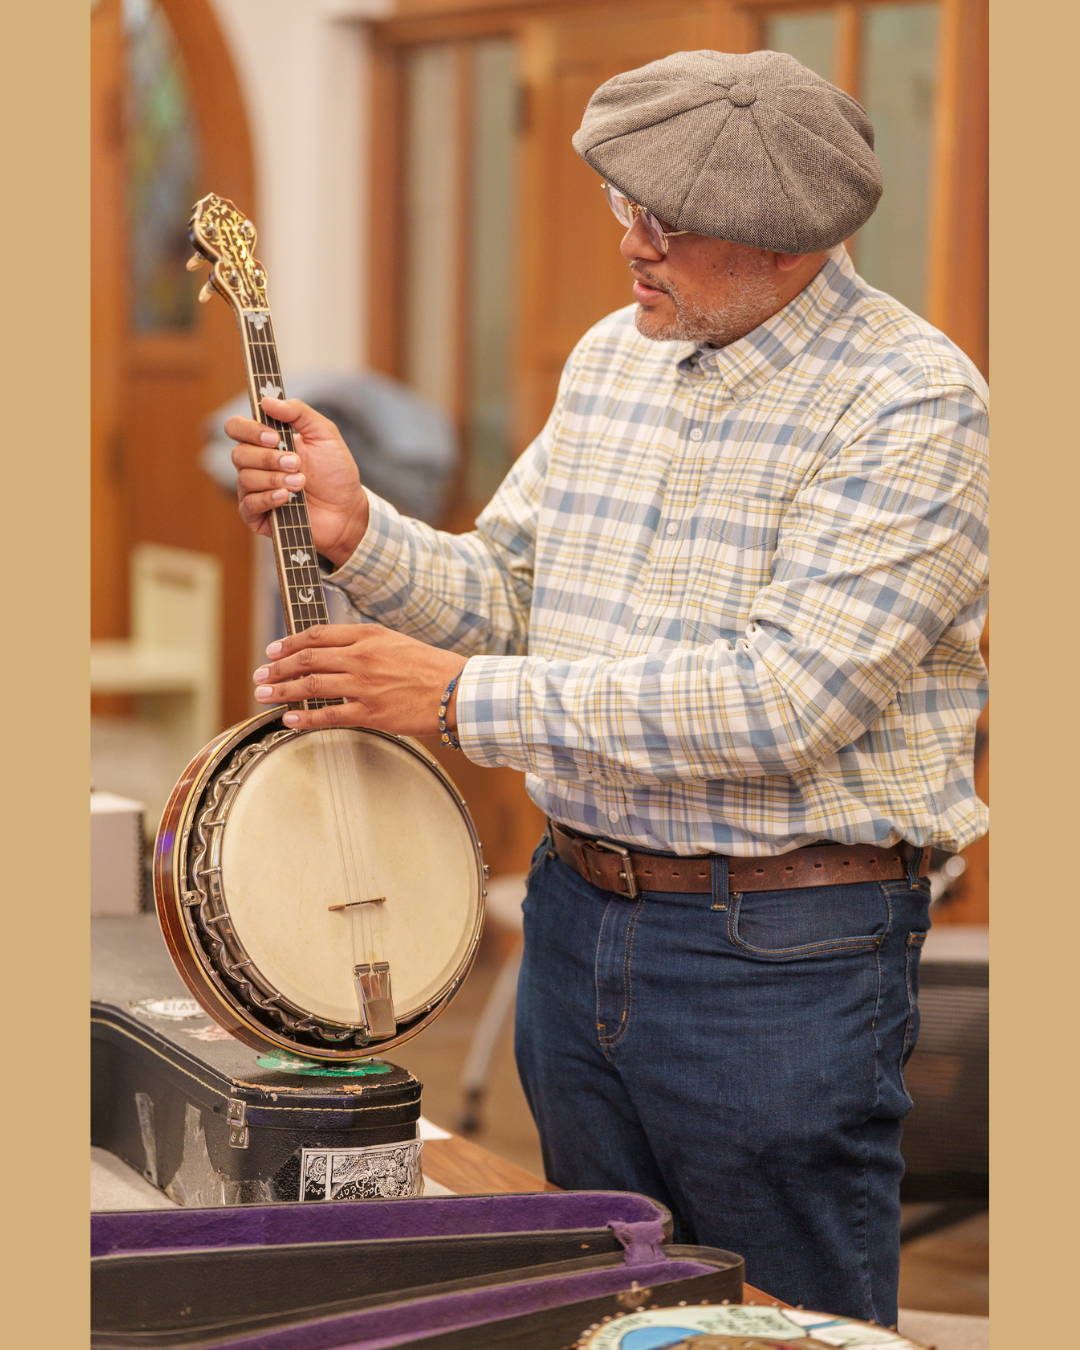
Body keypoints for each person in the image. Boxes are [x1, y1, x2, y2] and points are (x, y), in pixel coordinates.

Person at [227, 50, 988, 1326]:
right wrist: (360, 534)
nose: (631, 241)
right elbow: (514, 602)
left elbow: (784, 702)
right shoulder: (615, 359)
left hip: (779, 959)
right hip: (583, 923)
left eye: (669, 223)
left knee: (774, 1318)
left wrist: (462, 698)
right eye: (624, 201)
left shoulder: (912, 403)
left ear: (788, 243)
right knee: (602, 1309)